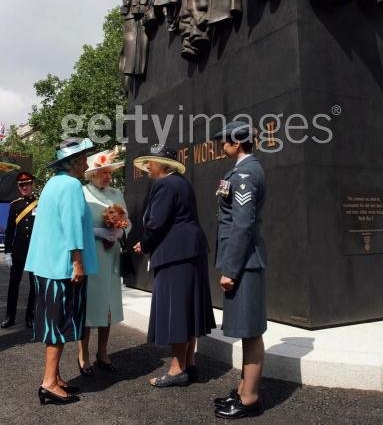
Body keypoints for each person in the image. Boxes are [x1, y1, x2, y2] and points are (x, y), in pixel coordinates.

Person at [133, 144, 216, 387]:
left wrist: (144, 244)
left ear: (164, 165)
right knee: (188, 308)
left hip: (174, 255)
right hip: (189, 252)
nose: (148, 165)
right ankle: (189, 363)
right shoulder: (182, 182)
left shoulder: (164, 184)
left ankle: (177, 369)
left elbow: (156, 223)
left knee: (176, 311)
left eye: (152, 161)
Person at [25, 138, 98, 405]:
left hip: (48, 267)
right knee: (58, 325)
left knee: (53, 323)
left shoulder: (53, 184)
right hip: (62, 268)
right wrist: (77, 262)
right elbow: (72, 225)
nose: (87, 164)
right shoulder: (70, 185)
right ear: (75, 162)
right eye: (84, 159)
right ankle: (48, 383)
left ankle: (54, 377)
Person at [213, 121, 266, 419]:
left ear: (237, 142)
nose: (222, 145)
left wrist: (230, 269)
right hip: (243, 261)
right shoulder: (239, 170)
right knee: (247, 330)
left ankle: (249, 398)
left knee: (250, 331)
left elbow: (242, 224)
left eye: (225, 141)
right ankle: (244, 388)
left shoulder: (245, 173)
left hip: (245, 263)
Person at [77, 148, 131, 375]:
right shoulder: (82, 193)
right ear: (91, 174)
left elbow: (127, 222)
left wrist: (117, 233)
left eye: (108, 172)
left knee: (107, 306)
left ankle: (102, 351)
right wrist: (100, 233)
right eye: (102, 172)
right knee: (90, 307)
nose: (107, 176)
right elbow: (76, 225)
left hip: (111, 257)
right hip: (92, 255)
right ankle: (84, 354)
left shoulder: (116, 193)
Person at [1, 172, 37, 329]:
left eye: (27, 184)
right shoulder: (14, 204)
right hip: (19, 251)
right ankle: (10, 317)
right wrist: (7, 252)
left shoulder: (40, 203)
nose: (24, 187)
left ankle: (31, 317)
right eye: (21, 185)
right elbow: (10, 230)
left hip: (35, 250)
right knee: (13, 284)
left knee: (34, 285)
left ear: (32, 185)